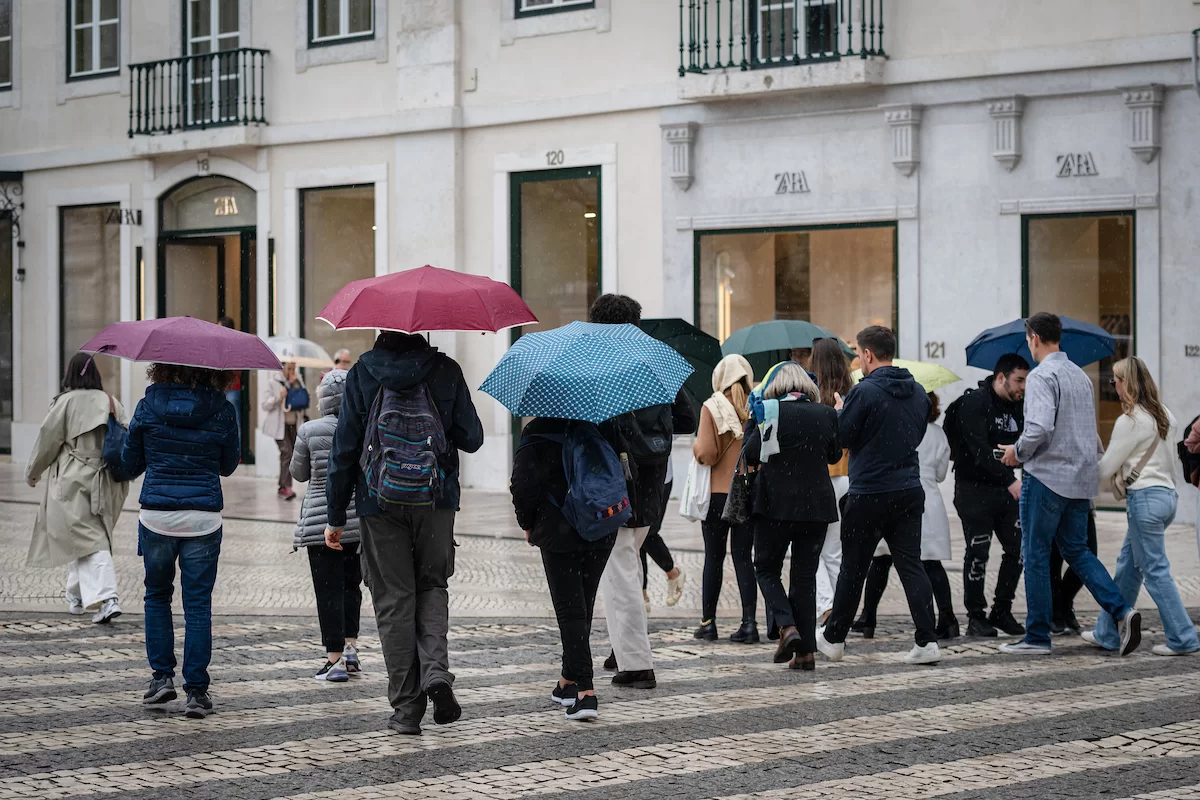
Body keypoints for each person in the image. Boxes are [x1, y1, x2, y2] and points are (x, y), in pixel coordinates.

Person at [325, 332, 483, 736]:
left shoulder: (362, 372)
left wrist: (335, 513)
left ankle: (406, 709)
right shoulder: (446, 370)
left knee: (394, 600)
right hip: (436, 498)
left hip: (379, 503)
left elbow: (344, 448)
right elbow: (473, 437)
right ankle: (436, 675)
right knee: (432, 586)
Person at [998, 312, 1141, 656]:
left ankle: (1037, 637)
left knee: (1034, 554)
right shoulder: (1080, 376)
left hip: (1046, 476)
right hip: (1079, 478)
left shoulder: (1041, 376)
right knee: (1077, 551)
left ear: (1033, 338)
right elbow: (1088, 431)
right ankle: (1122, 610)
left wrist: (1016, 452)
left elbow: (1040, 428)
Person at [121, 362, 240, 718]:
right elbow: (228, 465)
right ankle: (197, 692)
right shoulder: (222, 409)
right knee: (198, 605)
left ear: (162, 368)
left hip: (156, 515)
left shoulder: (148, 406)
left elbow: (130, 462)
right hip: (202, 518)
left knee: (157, 596)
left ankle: (161, 679)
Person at [818, 326, 941, 666]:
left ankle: (834, 638)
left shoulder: (865, 392)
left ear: (869, 355)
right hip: (908, 489)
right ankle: (926, 640)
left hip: (869, 491)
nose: (858, 359)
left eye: (858, 353)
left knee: (854, 569)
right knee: (911, 566)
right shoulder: (917, 392)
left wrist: (842, 411)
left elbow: (841, 439)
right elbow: (916, 434)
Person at [591, 294, 697, 690]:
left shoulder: (602, 366)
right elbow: (686, 417)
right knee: (626, 570)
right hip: (650, 490)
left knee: (620, 579)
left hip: (615, 488)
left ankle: (637, 665)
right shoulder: (656, 361)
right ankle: (623, 650)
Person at [1087, 357, 1198, 656]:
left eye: (1116, 380)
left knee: (1155, 571)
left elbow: (1105, 468)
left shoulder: (1131, 421)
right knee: (1128, 567)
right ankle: (1107, 632)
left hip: (1145, 500)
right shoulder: (1166, 415)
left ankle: (1183, 637)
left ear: (1128, 383)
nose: (1114, 386)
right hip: (1166, 498)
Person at [511, 417, 618, 721]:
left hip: (558, 527)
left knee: (571, 610)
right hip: (600, 525)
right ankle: (566, 682)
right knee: (582, 604)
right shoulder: (605, 423)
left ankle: (585, 693)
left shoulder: (538, 429)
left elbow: (522, 483)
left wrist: (528, 523)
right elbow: (624, 472)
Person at [744, 363, 840, 670]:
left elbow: (750, 453)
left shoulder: (770, 411)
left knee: (765, 568)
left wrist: (753, 421)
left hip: (775, 505)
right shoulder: (825, 413)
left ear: (775, 386)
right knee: (804, 577)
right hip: (816, 508)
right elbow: (834, 455)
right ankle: (806, 654)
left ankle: (787, 626)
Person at [25, 353, 130, 624]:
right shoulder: (111, 402)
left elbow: (47, 441)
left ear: (69, 374)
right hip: (105, 479)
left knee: (89, 538)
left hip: (72, 479)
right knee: (85, 535)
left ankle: (108, 598)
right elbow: (128, 438)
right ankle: (77, 594)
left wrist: (33, 473)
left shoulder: (65, 403)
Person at [853, 392, 958, 641]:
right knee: (931, 563)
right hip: (928, 499)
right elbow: (942, 473)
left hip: (898, 494)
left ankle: (868, 617)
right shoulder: (938, 433)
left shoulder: (898, 425)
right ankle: (947, 617)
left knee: (881, 560)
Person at [945, 353, 1029, 638]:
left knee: (1018, 550)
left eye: (1025, 381)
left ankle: (1001, 610)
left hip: (1004, 491)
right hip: (973, 489)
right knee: (978, 552)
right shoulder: (974, 403)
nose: (1022, 387)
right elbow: (980, 451)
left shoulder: (1019, 407)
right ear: (1001, 377)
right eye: (1019, 380)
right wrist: (1010, 479)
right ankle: (976, 616)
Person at [291, 369, 363, 682]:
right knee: (351, 587)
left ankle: (333, 659)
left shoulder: (309, 430)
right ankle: (350, 652)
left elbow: (299, 474)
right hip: (357, 522)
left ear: (321, 400)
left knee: (328, 590)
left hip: (321, 522)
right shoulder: (361, 428)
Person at [691, 354, 758, 643]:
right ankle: (749, 624)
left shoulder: (712, 405)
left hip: (719, 495)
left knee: (714, 559)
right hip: (747, 491)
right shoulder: (757, 405)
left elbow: (706, 454)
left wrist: (696, 445)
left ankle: (709, 623)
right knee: (744, 559)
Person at [810, 337, 852, 625]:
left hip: (820, 480)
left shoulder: (812, 395)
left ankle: (827, 607)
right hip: (848, 478)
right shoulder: (854, 393)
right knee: (835, 553)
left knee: (810, 550)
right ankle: (840, 613)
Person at [639, 467, 686, 612]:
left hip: (657, 471)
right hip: (634, 473)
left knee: (646, 533)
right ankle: (642, 592)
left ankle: (672, 572)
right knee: (636, 534)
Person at [263, 362, 306, 500]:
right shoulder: (273, 382)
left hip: (294, 424)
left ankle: (285, 486)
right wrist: (279, 397)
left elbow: (303, 399)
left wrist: (296, 385)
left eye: (294, 368)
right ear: (283, 369)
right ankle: (285, 486)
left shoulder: (298, 380)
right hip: (279, 426)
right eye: (290, 368)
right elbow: (265, 405)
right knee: (286, 452)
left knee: (292, 453)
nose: (292, 371)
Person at [217, 317, 243, 439]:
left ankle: (236, 455)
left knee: (234, 421)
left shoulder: (235, 345)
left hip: (232, 387)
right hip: (220, 387)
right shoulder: (217, 344)